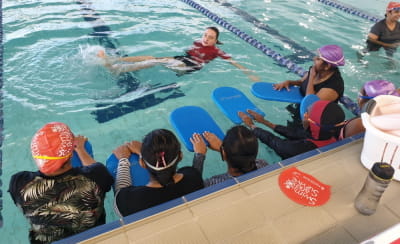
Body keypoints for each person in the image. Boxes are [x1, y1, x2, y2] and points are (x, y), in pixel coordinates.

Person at [8, 122, 114, 244]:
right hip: (94, 237)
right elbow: (98, 169)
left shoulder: (19, 184)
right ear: (70, 156)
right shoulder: (96, 176)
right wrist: (80, 148)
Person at [98, 26, 259, 81]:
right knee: (152, 58)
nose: (206, 39)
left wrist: (250, 74)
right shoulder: (198, 43)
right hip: (182, 60)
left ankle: (117, 69)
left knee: (155, 62)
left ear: (216, 40)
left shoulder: (217, 50)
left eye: (210, 38)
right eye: (205, 35)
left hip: (190, 66)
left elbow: (234, 62)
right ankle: (114, 60)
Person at [113, 129, 204, 217]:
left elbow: (120, 190)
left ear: (142, 163)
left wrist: (123, 159)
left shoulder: (128, 202)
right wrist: (200, 154)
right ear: (180, 156)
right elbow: (195, 176)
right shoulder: (193, 178)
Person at [239, 100, 345, 160]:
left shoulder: (301, 149)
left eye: (307, 114)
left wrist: (251, 126)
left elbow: (273, 141)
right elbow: (295, 133)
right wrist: (264, 122)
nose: (304, 115)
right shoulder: (326, 135)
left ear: (314, 125)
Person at [189, 125, 268, 187]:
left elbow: (194, 188)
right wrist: (224, 150)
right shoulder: (263, 164)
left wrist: (199, 155)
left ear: (224, 154)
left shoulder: (215, 184)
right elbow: (244, 158)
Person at [273, 44, 345, 102]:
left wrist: (311, 77)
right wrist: (289, 82)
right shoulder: (317, 69)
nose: (314, 59)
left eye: (318, 59)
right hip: (301, 105)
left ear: (327, 66)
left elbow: (310, 103)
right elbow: (302, 82)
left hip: (313, 117)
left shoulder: (333, 86)